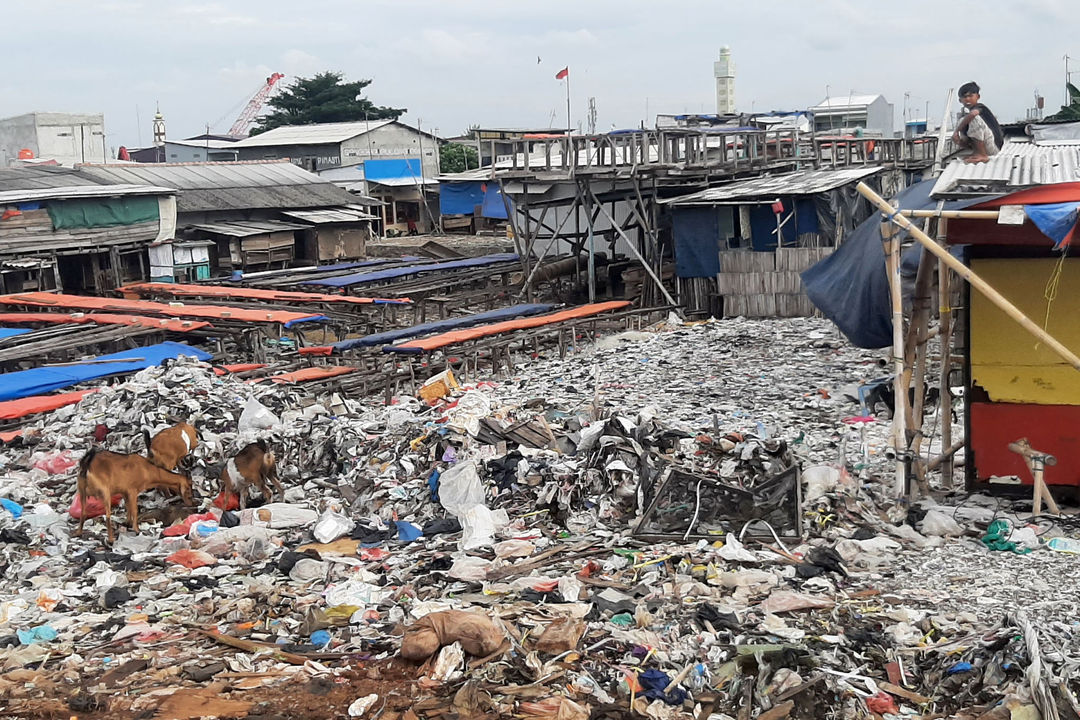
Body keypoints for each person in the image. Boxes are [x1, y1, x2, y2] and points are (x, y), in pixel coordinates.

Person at [952, 82, 1004, 163]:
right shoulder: (963, 116)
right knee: (962, 121)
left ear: (978, 97)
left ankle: (982, 154)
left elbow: (973, 114)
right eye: (965, 97)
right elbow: (966, 141)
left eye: (970, 96)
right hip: (981, 146)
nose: (968, 99)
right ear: (960, 100)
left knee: (972, 118)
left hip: (993, 146)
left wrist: (956, 131)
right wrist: (958, 141)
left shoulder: (980, 107)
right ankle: (977, 152)